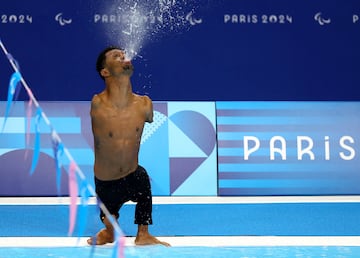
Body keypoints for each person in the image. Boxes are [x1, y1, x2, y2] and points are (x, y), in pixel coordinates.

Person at [87, 46, 170, 247]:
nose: (124, 58)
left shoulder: (144, 103)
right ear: (105, 72)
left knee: (143, 179)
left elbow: (148, 117)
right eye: (117, 57)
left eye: (125, 55)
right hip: (106, 181)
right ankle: (109, 232)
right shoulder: (98, 103)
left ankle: (143, 234)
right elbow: (118, 99)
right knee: (109, 219)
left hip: (132, 173)